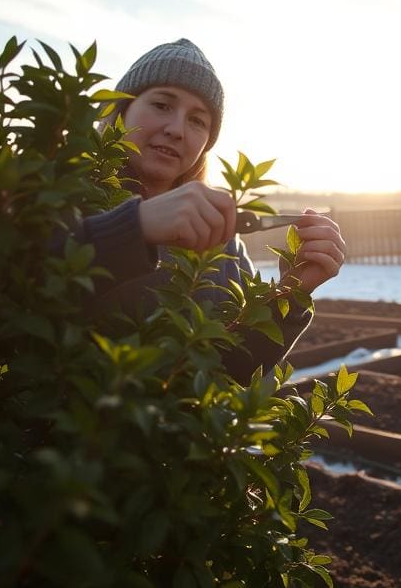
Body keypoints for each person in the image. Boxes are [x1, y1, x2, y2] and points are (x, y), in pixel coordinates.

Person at [74, 38, 345, 380]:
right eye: (161, 105)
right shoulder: (59, 199)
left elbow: (229, 373)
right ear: (121, 110)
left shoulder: (223, 244)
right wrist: (134, 227)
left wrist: (289, 295)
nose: (176, 129)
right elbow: (13, 288)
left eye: (198, 121)